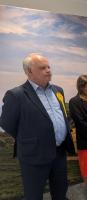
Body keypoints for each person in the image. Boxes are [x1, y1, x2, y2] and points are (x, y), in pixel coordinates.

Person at [0, 53, 75, 200]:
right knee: (34, 195)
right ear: (29, 71)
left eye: (48, 67)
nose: (48, 70)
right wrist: (30, 138)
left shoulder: (58, 90)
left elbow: (63, 114)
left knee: (61, 192)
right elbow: (6, 123)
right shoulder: (16, 95)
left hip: (59, 152)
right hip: (34, 155)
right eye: (42, 68)